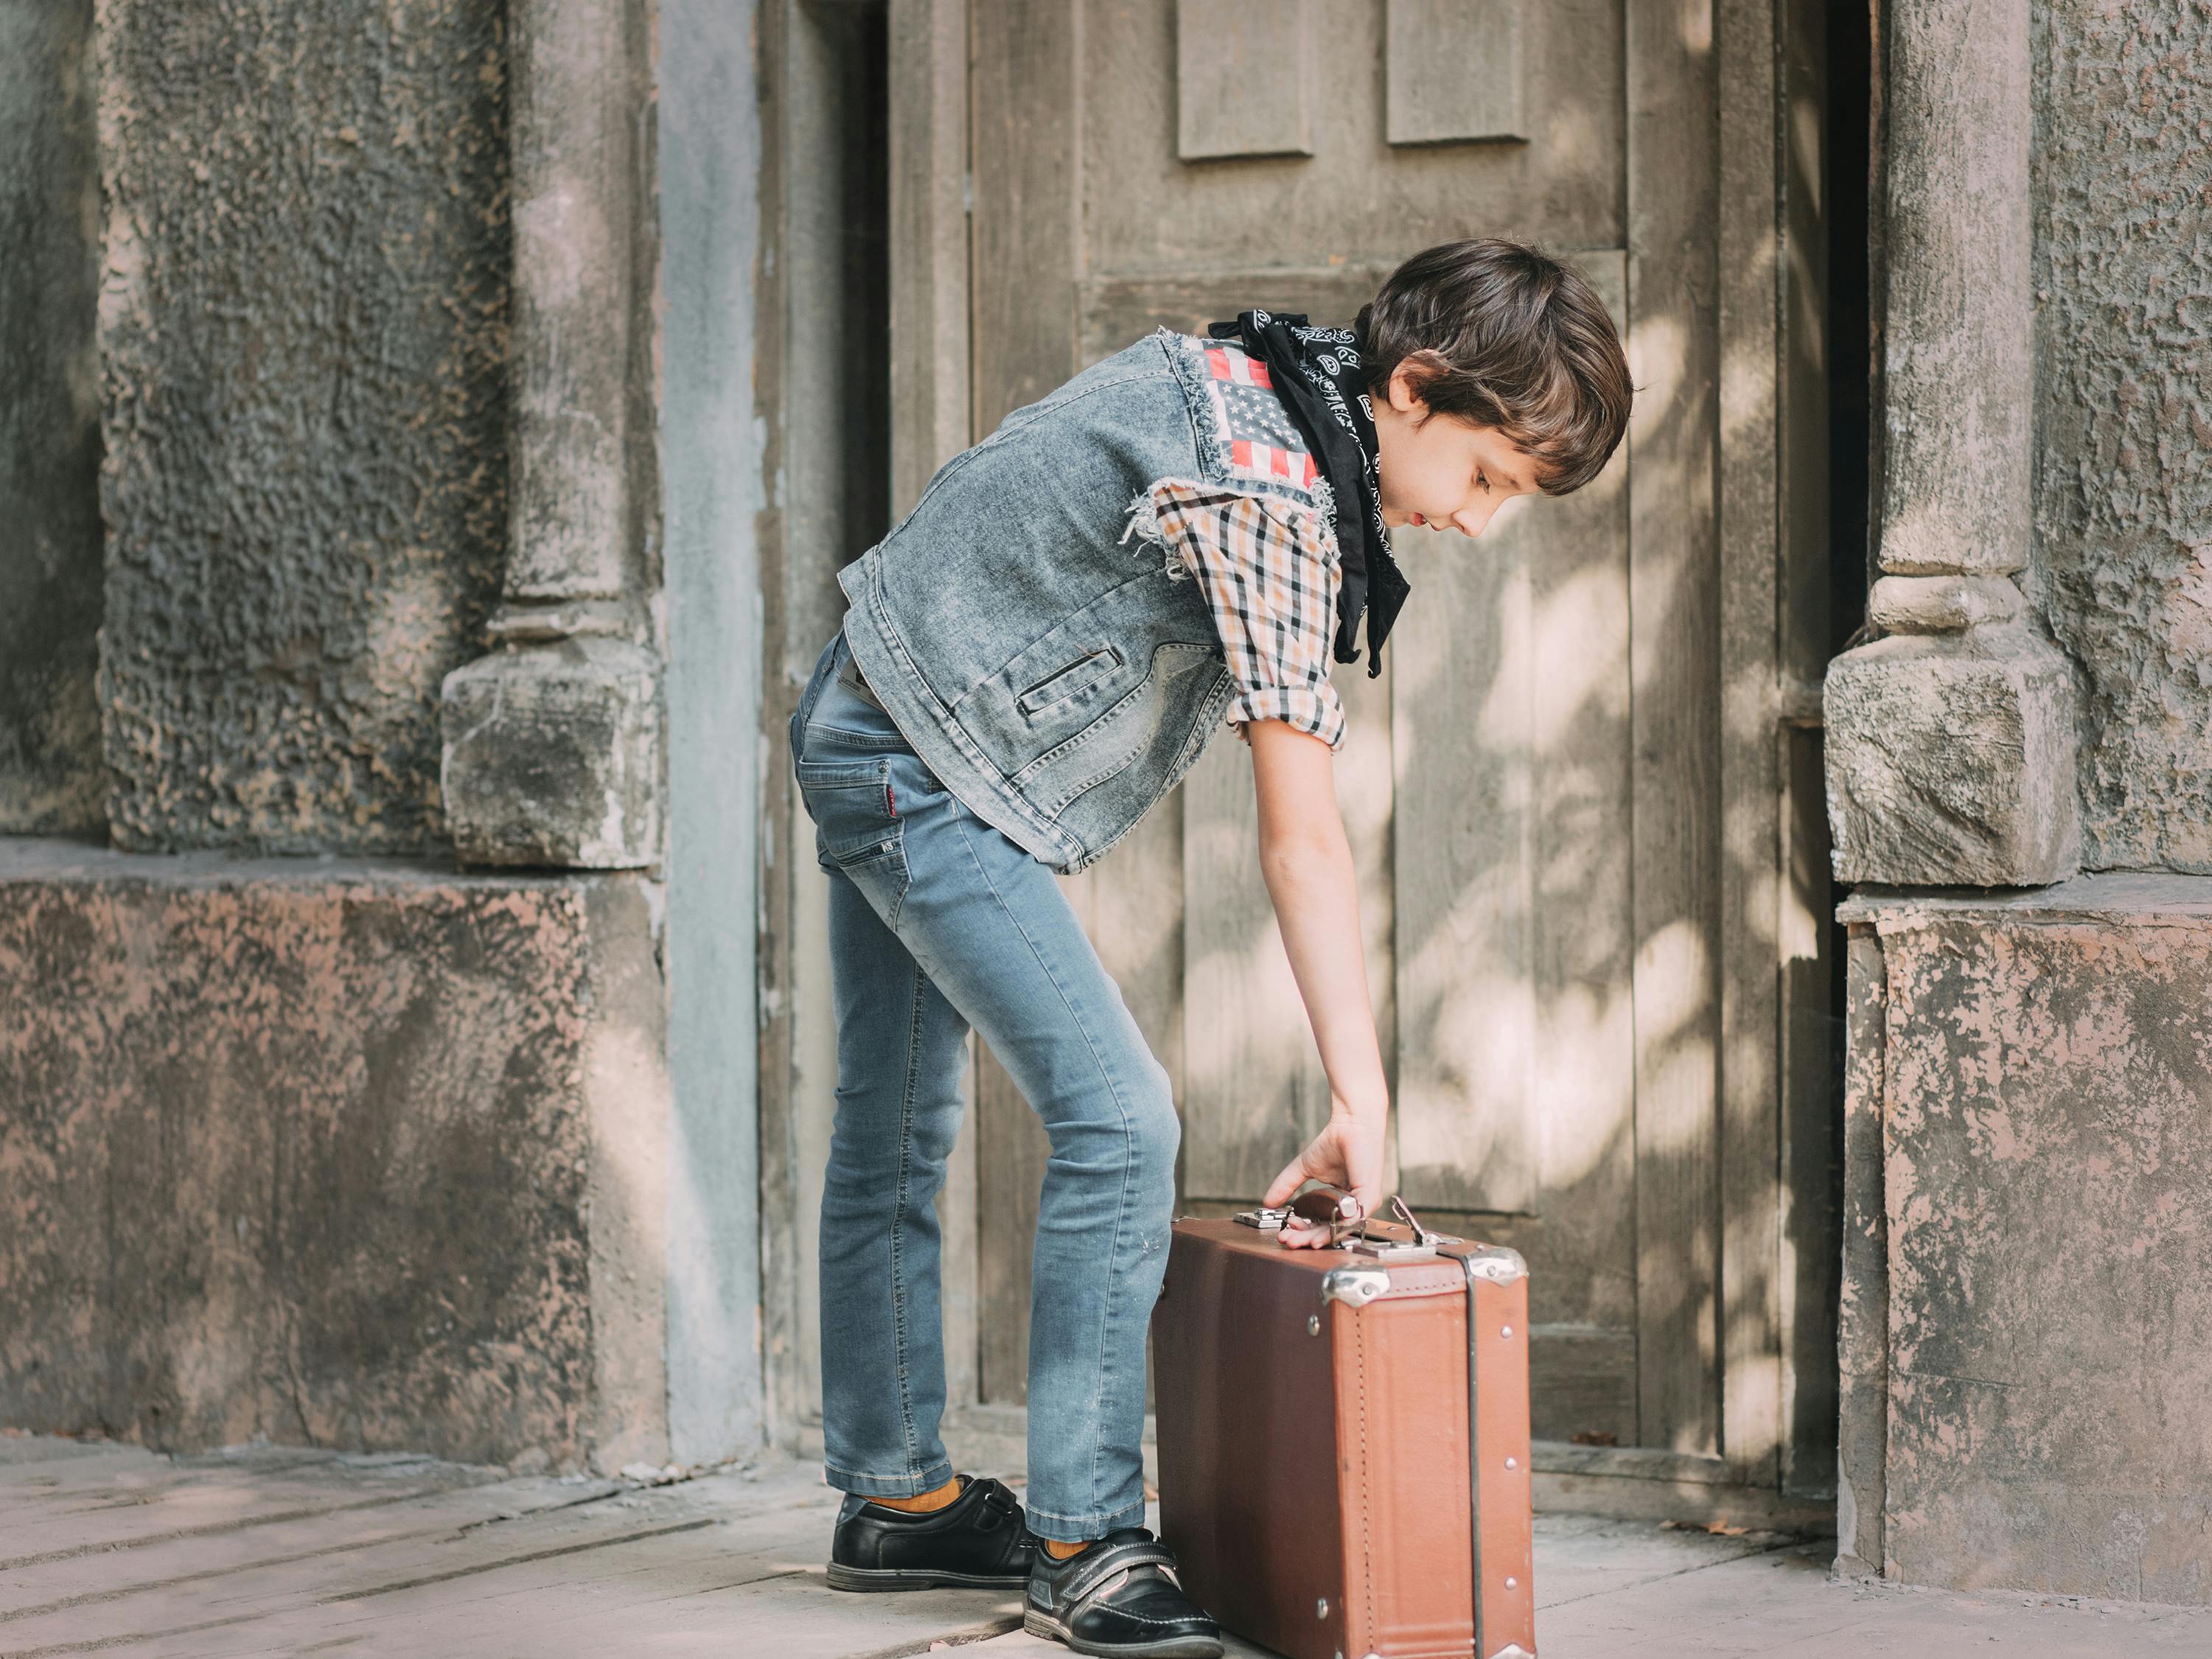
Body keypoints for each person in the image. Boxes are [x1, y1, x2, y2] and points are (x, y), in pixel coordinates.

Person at [800, 239, 1632, 1659]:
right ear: (1417, 390)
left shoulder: (1278, 383)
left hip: (878, 701)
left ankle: (898, 1502)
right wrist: (1363, 1100)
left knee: (895, 1121)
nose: (1481, 524)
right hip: (918, 765)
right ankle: (1082, 1539)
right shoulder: (1270, 497)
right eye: (1489, 481)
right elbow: (1300, 837)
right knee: (1122, 1122)